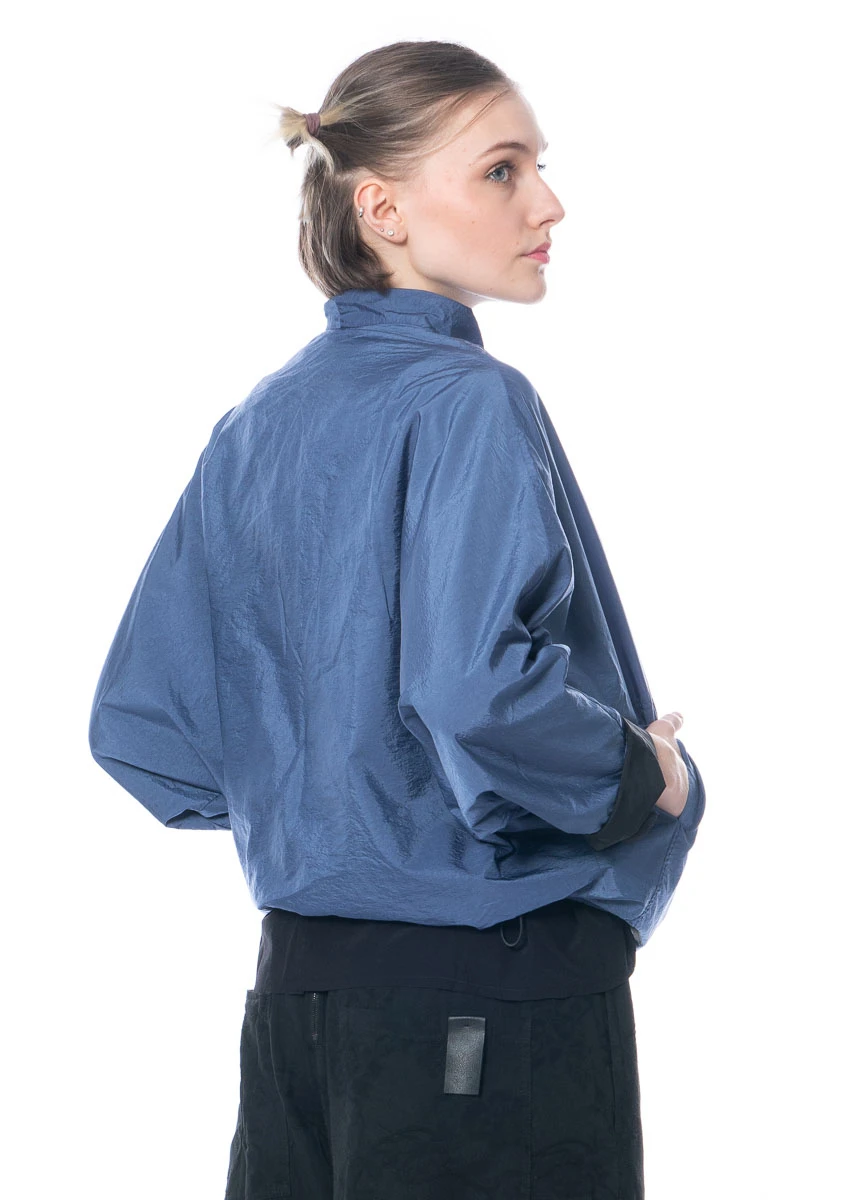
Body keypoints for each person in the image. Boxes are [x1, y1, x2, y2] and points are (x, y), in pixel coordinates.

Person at [88, 39, 706, 1200]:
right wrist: (645, 774)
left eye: (539, 168)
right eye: (501, 171)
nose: (546, 203)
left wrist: (332, 791)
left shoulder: (256, 424)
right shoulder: (469, 399)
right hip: (492, 991)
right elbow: (474, 692)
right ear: (382, 209)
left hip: (298, 998)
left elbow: (142, 729)